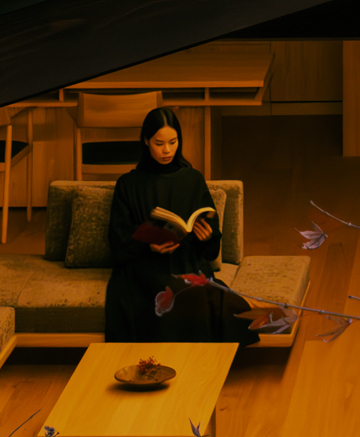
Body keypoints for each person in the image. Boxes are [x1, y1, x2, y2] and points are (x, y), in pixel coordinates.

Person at [103, 105, 256, 347]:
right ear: (145, 141)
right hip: (144, 267)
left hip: (186, 262)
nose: (167, 150)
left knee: (229, 305)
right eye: (159, 143)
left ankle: (199, 363)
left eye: (173, 142)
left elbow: (211, 247)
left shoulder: (192, 179)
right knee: (180, 296)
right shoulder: (128, 184)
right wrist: (149, 247)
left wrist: (206, 237)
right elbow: (118, 242)